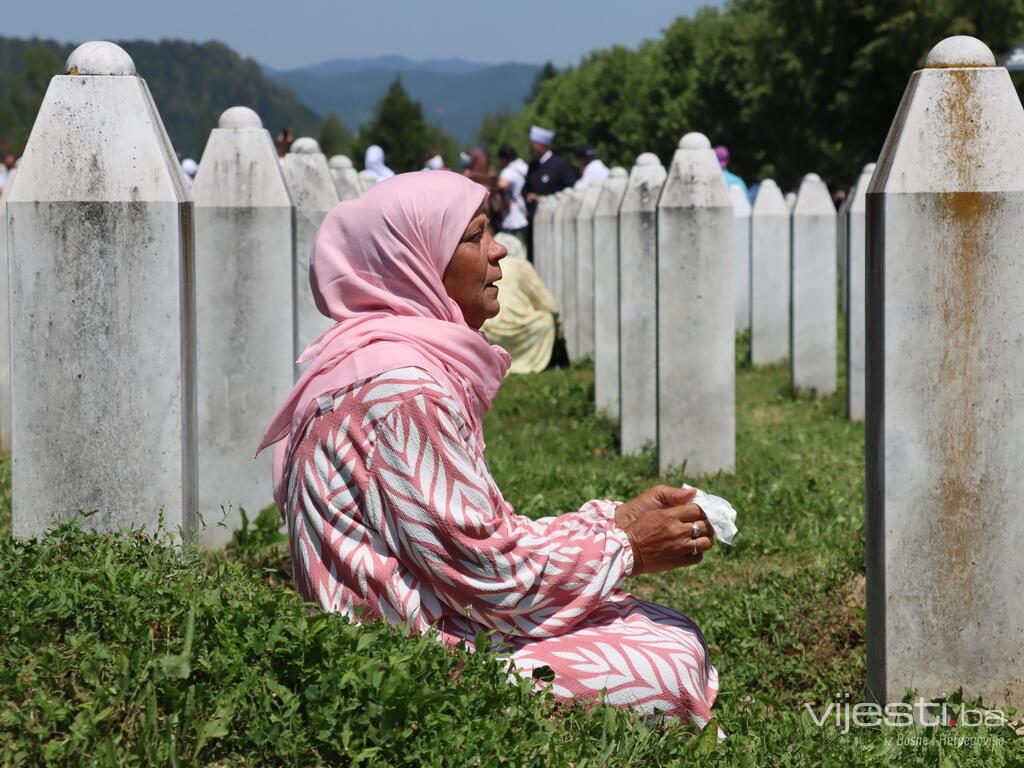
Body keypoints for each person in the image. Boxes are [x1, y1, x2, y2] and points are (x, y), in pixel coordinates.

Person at [257, 171, 725, 730]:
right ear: (418, 260)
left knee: (660, 626)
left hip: (425, 621)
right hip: (401, 664)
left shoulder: (386, 366)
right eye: (476, 236)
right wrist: (628, 548)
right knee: (664, 659)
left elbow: (474, 536)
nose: (498, 251)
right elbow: (487, 570)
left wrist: (615, 519)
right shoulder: (403, 392)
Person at [481, 232, 558, 373]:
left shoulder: (487, 265)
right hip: (519, 328)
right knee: (545, 320)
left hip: (488, 328)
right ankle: (528, 365)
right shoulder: (521, 266)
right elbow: (547, 303)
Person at [523, 125, 576, 261]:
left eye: (534, 142)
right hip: (534, 218)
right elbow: (525, 189)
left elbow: (571, 189)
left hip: (555, 220)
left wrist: (545, 198)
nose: (532, 146)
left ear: (542, 144)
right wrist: (529, 196)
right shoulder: (533, 166)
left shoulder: (560, 165)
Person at [496, 145, 529, 243]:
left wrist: (502, 201)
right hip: (524, 211)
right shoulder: (524, 167)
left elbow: (502, 185)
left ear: (504, 158)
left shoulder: (509, 171)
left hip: (513, 217)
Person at [463, 147, 502, 231]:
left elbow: (491, 184)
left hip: (485, 219)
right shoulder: (472, 174)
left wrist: (470, 175)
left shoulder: (489, 173)